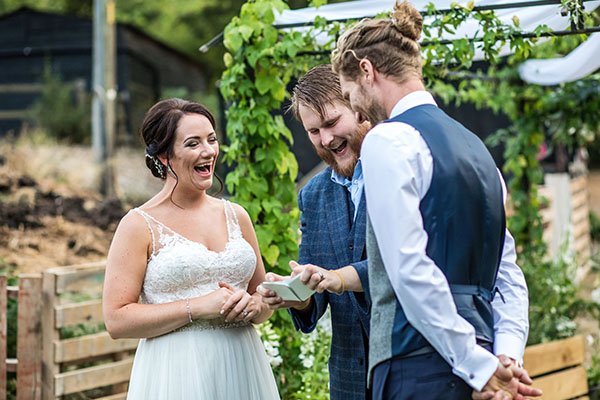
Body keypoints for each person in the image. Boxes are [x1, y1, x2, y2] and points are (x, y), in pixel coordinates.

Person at [329, 1, 543, 399]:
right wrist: (507, 356)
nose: (355, 108)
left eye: (348, 93)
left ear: (367, 71)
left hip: (418, 365)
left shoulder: (387, 139)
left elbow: (408, 266)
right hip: (480, 362)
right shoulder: (479, 151)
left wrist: (481, 368)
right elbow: (507, 273)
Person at [102, 98, 279, 400]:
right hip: (175, 371)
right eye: (193, 143)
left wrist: (257, 306)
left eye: (211, 139)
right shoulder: (138, 224)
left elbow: (261, 301)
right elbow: (116, 320)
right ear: (164, 155)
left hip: (242, 363)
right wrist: (196, 307)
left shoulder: (236, 215)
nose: (208, 151)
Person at [257, 64, 372, 399]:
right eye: (313, 131)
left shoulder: (397, 170)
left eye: (333, 122)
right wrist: (296, 293)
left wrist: (336, 277)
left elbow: (404, 262)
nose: (326, 139)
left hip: (408, 372)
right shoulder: (313, 195)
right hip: (348, 381)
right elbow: (316, 294)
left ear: (358, 106)